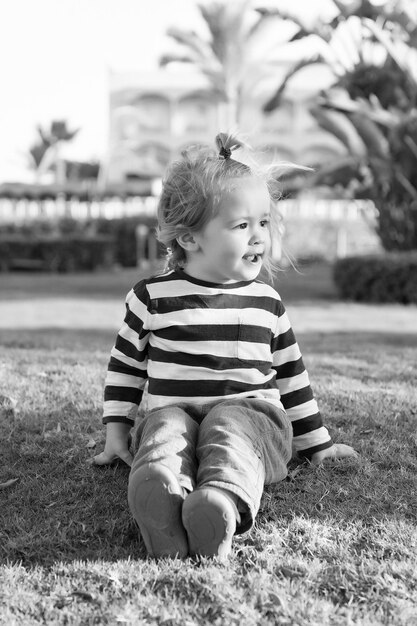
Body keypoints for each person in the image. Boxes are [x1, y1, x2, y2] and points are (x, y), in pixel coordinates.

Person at [94, 133, 357, 560]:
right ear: (190, 238)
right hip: (172, 412)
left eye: (263, 223)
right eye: (241, 225)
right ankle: (161, 495)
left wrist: (318, 443)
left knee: (231, 428)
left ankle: (220, 503)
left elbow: (292, 377)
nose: (258, 237)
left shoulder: (266, 302)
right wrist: (116, 434)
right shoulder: (151, 298)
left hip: (253, 417)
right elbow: (126, 368)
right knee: (165, 431)